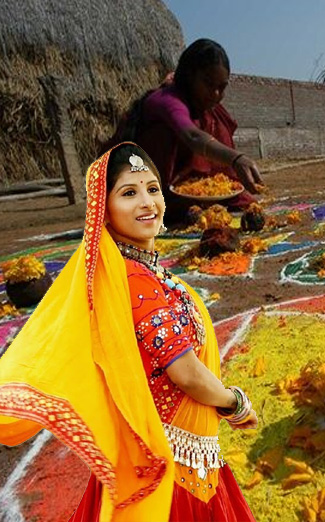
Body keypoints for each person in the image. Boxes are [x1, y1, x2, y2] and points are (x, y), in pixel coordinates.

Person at [0, 142, 257, 521]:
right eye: (129, 193)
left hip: (175, 456)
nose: (147, 202)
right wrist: (235, 404)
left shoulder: (141, 272)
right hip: (173, 473)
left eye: (152, 189)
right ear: (103, 210)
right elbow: (185, 373)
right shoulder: (135, 279)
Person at [102, 38, 265, 225]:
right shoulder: (167, 100)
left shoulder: (204, 105)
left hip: (186, 190)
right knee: (164, 133)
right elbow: (192, 136)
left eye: (222, 87)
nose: (216, 94)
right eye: (208, 84)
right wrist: (235, 159)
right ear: (189, 76)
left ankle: (205, 197)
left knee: (215, 118)